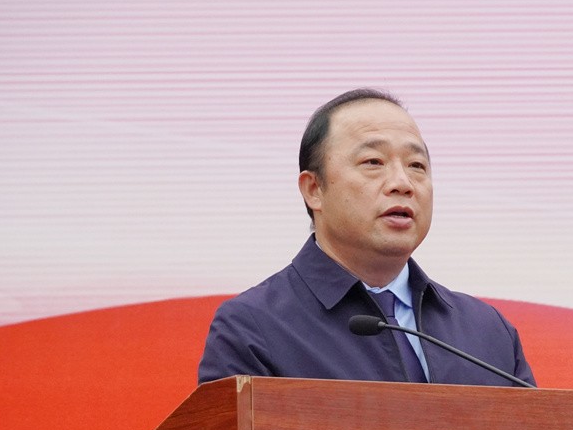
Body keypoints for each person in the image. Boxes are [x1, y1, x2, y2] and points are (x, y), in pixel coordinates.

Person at [198, 89, 535, 387]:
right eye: (373, 162)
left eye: (417, 165)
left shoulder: (487, 332)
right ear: (314, 189)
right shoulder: (253, 328)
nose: (402, 183)